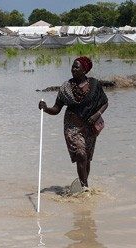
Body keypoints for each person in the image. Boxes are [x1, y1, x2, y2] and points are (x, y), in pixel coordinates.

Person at [38, 56, 108, 190]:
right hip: (72, 127)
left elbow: (105, 103)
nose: (73, 69)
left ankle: (83, 185)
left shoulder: (94, 85)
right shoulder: (66, 88)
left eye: (77, 67)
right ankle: (85, 188)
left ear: (84, 70)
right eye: (73, 66)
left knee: (87, 158)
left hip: (90, 127)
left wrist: (96, 115)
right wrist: (46, 108)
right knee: (81, 154)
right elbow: (56, 109)